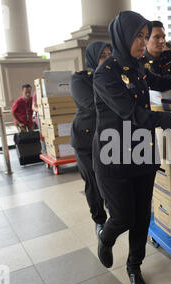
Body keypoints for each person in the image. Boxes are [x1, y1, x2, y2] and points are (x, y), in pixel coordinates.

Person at [93, 11, 171, 284]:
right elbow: (133, 114)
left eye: (145, 37)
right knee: (122, 217)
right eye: (139, 36)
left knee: (142, 217)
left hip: (143, 152)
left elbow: (158, 81)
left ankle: (134, 266)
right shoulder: (105, 75)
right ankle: (106, 238)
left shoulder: (138, 66)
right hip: (114, 154)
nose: (143, 42)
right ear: (122, 36)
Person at [70, 41, 111, 237]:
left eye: (109, 54)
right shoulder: (79, 79)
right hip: (85, 139)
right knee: (93, 181)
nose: (107, 59)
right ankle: (99, 220)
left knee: (110, 178)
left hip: (108, 138)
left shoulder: (115, 77)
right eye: (102, 55)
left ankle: (115, 212)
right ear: (93, 58)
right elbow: (90, 104)